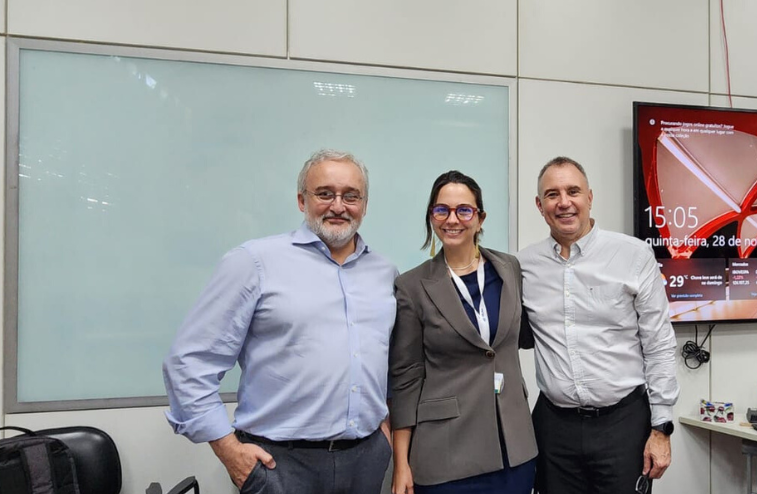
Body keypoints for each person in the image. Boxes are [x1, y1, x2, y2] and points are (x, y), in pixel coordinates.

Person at [162, 149, 397, 494]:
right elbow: (189, 363)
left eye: (351, 195)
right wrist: (229, 450)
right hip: (281, 466)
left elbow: (389, 363)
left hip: (365, 460)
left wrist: (385, 433)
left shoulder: (384, 272)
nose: (338, 205)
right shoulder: (254, 263)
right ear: (302, 200)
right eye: (324, 193)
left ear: (364, 204)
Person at [518, 156, 680, 494]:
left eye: (573, 191)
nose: (564, 202)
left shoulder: (633, 256)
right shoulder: (523, 266)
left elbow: (659, 344)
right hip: (554, 429)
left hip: (622, 425)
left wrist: (661, 428)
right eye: (552, 194)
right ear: (539, 204)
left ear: (589, 197)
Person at [388, 171, 537, 494]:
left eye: (464, 210)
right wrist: (401, 462)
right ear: (431, 217)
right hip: (447, 454)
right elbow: (406, 377)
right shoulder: (412, 286)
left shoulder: (509, 268)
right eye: (441, 210)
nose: (452, 219)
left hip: (513, 447)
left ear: (480, 218)